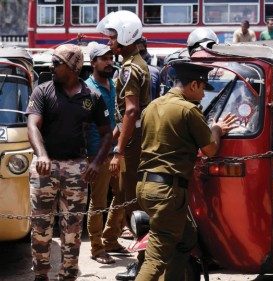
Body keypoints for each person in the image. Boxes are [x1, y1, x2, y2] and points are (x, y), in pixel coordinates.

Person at [134, 62, 237, 281]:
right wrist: (217, 129)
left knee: (186, 239)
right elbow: (210, 149)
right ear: (193, 85)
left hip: (146, 187)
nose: (202, 95)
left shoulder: (152, 106)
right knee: (155, 258)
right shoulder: (188, 110)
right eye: (202, 89)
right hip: (167, 192)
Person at [27, 44, 112, 281]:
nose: (52, 67)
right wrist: (42, 155)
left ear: (73, 67)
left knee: (73, 230)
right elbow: (33, 125)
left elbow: (107, 133)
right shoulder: (43, 91)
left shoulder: (92, 97)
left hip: (77, 169)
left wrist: (96, 163)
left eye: (57, 63)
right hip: (45, 168)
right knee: (41, 228)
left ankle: (68, 275)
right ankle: (41, 275)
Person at [97, 10, 151, 280]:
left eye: (113, 37)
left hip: (132, 144)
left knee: (132, 203)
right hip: (135, 139)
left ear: (126, 36)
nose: (109, 42)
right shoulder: (137, 63)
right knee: (132, 200)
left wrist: (119, 149)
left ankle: (143, 262)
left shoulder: (130, 69)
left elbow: (131, 112)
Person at [84, 42, 126, 264]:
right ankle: (96, 248)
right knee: (98, 201)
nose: (110, 62)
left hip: (115, 149)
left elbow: (118, 117)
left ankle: (110, 238)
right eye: (104, 59)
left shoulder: (112, 84)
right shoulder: (88, 89)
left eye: (111, 58)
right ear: (93, 63)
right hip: (97, 153)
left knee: (122, 194)